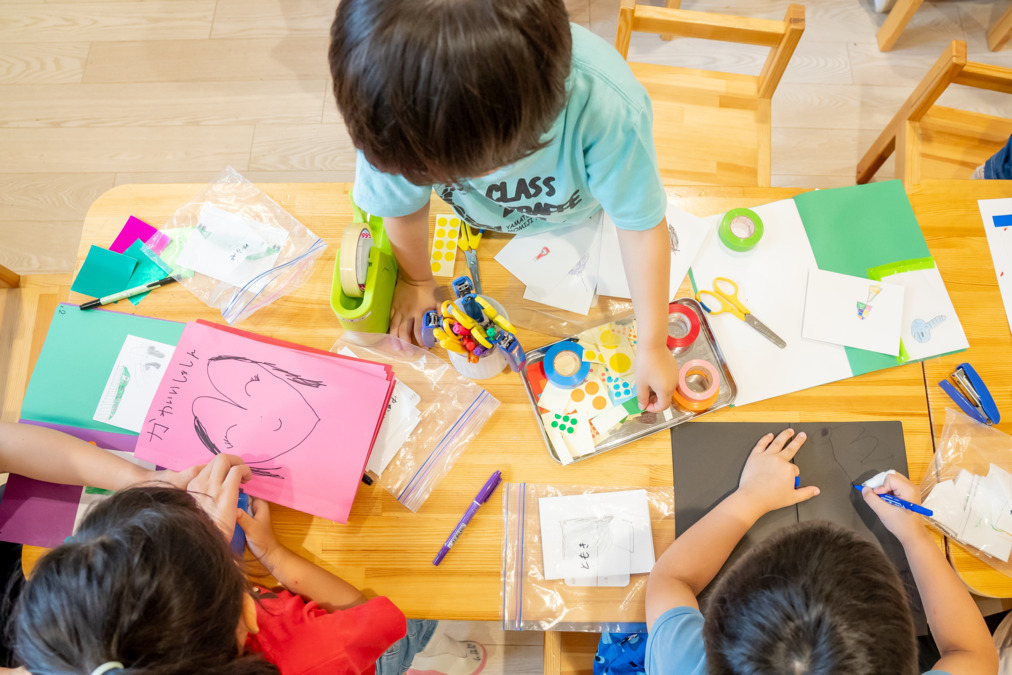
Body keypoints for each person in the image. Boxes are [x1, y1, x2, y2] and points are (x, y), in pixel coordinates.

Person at [328, 0, 679, 413]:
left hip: (580, 216)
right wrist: (417, 280)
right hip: (488, 229)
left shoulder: (607, 107)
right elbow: (400, 207)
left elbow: (639, 226)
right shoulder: (393, 110)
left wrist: (653, 343)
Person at [2, 437, 485, 675]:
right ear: (246, 614)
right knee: (415, 631)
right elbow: (377, 618)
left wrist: (199, 543)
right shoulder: (318, 653)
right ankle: (442, 657)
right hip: (365, 646)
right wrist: (274, 557)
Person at [644, 429, 999, 675]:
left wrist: (750, 497)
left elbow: (669, 580)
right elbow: (977, 657)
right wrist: (914, 536)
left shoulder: (684, 665)